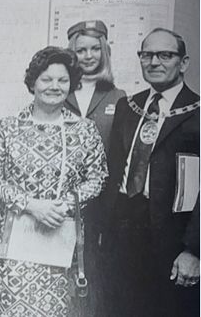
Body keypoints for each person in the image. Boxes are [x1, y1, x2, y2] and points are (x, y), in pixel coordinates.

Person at [0, 46, 107, 317]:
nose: (54, 86)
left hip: (62, 241)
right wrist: (31, 205)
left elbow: (98, 177)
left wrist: (66, 205)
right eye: (46, 79)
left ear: (71, 84)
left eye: (62, 80)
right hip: (16, 244)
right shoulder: (8, 128)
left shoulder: (85, 131)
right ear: (33, 82)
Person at [103, 28, 199, 317]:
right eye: (147, 54)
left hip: (173, 241)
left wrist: (194, 250)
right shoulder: (127, 107)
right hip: (122, 235)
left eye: (165, 55)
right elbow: (113, 171)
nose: (154, 62)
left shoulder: (196, 111)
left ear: (183, 63)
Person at [65, 20, 126, 316]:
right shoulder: (57, 91)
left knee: (98, 276)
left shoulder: (119, 97)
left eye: (94, 49)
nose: (88, 56)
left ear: (104, 51)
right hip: (62, 203)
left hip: (102, 205)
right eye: (80, 50)